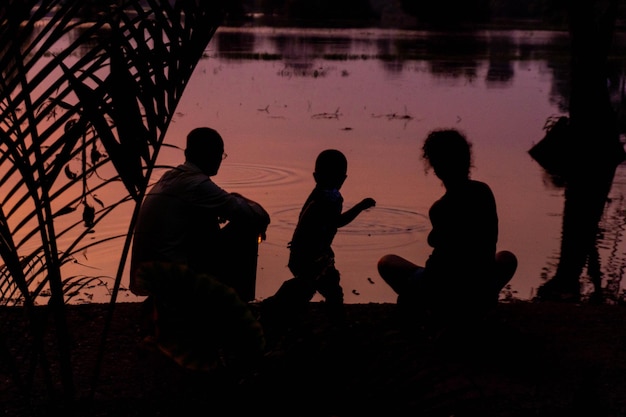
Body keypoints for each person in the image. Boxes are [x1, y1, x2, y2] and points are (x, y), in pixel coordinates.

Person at [130, 127, 270, 370]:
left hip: (152, 272)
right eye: (218, 154)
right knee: (246, 229)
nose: (219, 160)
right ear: (207, 155)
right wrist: (240, 202)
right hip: (172, 273)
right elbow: (256, 215)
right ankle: (237, 301)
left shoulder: (171, 178)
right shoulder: (197, 185)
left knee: (209, 220)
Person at [377, 129, 517, 336]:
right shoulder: (484, 192)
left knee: (387, 262)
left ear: (436, 168)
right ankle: (476, 304)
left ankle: (431, 306)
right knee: (507, 258)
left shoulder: (441, 208)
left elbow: (441, 254)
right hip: (481, 286)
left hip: (444, 291)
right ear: (467, 160)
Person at [261, 149, 376, 327]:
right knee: (312, 288)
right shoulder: (327, 198)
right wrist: (360, 207)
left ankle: (334, 326)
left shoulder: (323, 195)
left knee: (325, 288)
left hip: (312, 254)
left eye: (335, 178)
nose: (333, 182)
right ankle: (275, 307)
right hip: (310, 256)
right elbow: (337, 222)